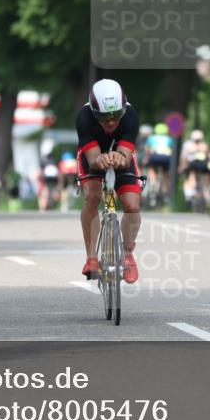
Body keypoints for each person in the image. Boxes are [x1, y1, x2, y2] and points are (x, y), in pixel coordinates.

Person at [76, 79, 142, 283]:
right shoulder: (84, 118)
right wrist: (100, 160)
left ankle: (128, 254)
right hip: (93, 157)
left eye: (116, 116)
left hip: (121, 155)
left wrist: (119, 158)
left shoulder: (130, 116)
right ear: (95, 112)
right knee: (92, 196)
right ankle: (91, 258)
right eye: (104, 117)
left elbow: (125, 154)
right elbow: (92, 159)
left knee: (132, 204)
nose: (111, 122)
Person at [179, 129, 210, 210]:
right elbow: (209, 157)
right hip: (204, 166)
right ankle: (208, 200)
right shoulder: (205, 146)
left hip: (193, 166)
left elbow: (184, 159)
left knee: (191, 177)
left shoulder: (190, 147)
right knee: (205, 185)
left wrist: (181, 167)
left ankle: (190, 193)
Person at [143, 122, 175, 203]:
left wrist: (146, 159)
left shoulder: (151, 138)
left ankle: (153, 182)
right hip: (166, 158)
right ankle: (166, 194)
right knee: (166, 175)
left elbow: (147, 150)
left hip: (155, 156)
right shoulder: (169, 139)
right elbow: (172, 151)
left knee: (151, 169)